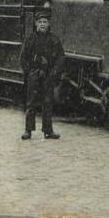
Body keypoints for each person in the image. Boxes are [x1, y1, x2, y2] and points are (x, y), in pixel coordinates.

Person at [20, 9, 66, 140]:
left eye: (45, 22)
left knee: (47, 103)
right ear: (35, 24)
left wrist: (53, 72)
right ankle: (28, 130)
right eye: (40, 22)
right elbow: (23, 57)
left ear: (49, 24)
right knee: (31, 103)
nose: (42, 24)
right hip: (34, 74)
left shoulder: (54, 40)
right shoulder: (30, 39)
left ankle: (48, 130)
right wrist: (29, 72)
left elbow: (60, 58)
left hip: (48, 75)